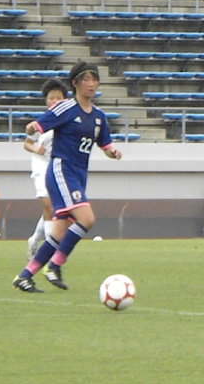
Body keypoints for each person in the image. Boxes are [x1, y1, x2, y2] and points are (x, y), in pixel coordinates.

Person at [12, 61, 122, 293]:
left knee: (58, 232)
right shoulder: (65, 108)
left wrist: (112, 152)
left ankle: (25, 276)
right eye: (87, 79)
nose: (92, 84)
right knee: (87, 218)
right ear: (76, 83)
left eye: (95, 79)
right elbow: (37, 127)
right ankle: (54, 266)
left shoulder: (99, 117)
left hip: (79, 174)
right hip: (62, 170)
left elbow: (106, 145)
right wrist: (32, 127)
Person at [23, 79, 67, 259]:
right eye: (51, 98)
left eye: (59, 98)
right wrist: (36, 149)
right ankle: (51, 249)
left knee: (53, 209)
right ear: (46, 101)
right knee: (48, 205)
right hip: (41, 165)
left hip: (57, 166)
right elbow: (27, 142)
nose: (55, 101)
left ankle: (34, 240)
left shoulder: (67, 121)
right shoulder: (42, 123)